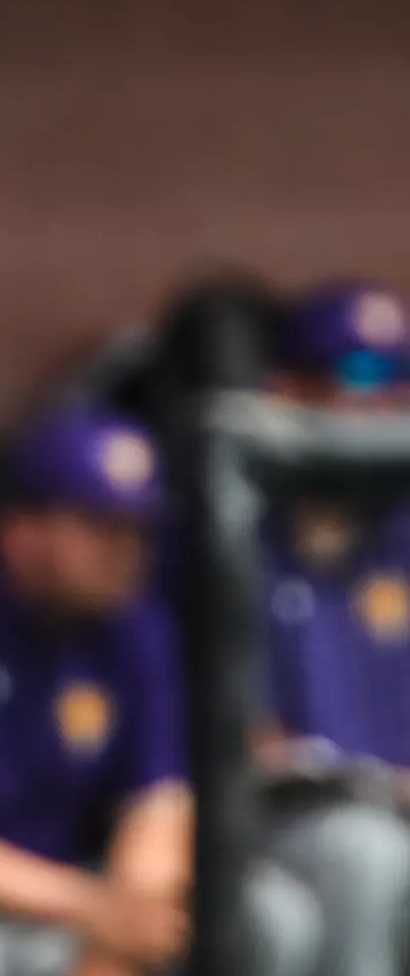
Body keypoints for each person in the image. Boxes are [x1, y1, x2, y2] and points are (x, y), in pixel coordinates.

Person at [0, 409, 319, 976]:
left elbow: (158, 801)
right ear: (23, 529)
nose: (128, 551)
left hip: (71, 903)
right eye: (102, 527)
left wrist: (124, 929)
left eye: (139, 530)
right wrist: (93, 908)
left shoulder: (133, 622)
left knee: (266, 911)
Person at [253, 279, 410, 976]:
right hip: (280, 823)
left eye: (399, 379)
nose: (384, 403)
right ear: (288, 392)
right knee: (363, 849)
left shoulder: (400, 536)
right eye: (361, 375)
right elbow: (252, 746)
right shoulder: (232, 534)